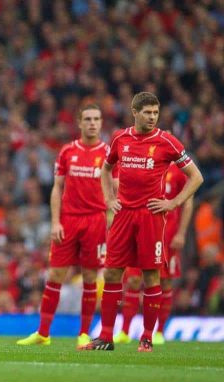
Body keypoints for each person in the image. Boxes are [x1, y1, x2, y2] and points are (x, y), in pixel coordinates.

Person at [82, 92, 203, 352]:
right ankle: (106, 337)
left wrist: (173, 203)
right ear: (134, 112)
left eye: (155, 113)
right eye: (147, 112)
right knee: (113, 272)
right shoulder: (120, 138)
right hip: (124, 214)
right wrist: (108, 199)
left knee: (151, 276)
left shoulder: (166, 141)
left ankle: (146, 338)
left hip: (150, 216)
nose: (152, 117)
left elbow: (196, 177)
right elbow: (105, 170)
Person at [16, 105, 108, 349]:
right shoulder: (68, 151)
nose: (92, 123)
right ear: (79, 122)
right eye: (87, 119)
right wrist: (55, 221)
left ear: (101, 123)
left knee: (90, 278)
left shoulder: (109, 154)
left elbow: (116, 188)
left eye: (96, 119)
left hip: (95, 220)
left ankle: (84, 334)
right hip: (67, 221)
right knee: (55, 275)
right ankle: (43, 333)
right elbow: (57, 188)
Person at [114, 162, 193, 345]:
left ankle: (159, 331)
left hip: (168, 235)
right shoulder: (145, 164)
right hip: (142, 230)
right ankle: (125, 330)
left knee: (164, 281)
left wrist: (181, 233)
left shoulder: (179, 171)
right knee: (133, 279)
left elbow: (188, 203)